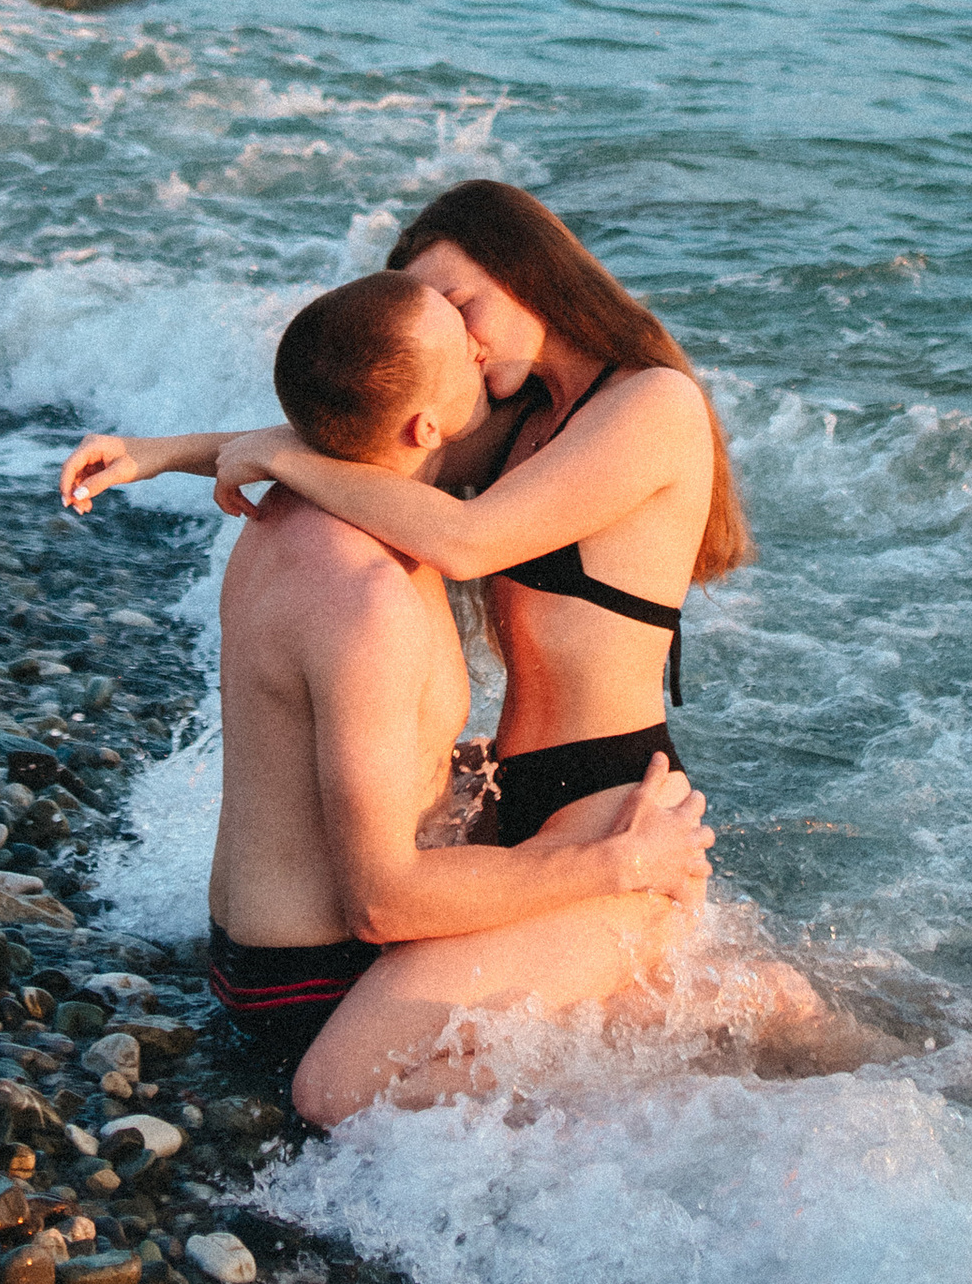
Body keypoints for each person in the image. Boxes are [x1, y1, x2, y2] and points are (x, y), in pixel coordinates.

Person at [198, 266, 756, 1123]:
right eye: (462, 341)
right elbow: (383, 902)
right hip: (318, 997)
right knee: (656, 952)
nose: (482, 347)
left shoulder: (283, 516)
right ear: (428, 423)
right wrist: (619, 861)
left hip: (245, 966)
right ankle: (702, 1059)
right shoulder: (371, 597)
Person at [60, 178, 743, 848]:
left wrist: (278, 458)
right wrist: (157, 453)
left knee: (394, 962)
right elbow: (365, 449)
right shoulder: (525, 417)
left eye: (460, 304)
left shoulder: (654, 404)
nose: (463, 343)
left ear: (527, 272)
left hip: (610, 795)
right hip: (513, 784)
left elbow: (466, 542)